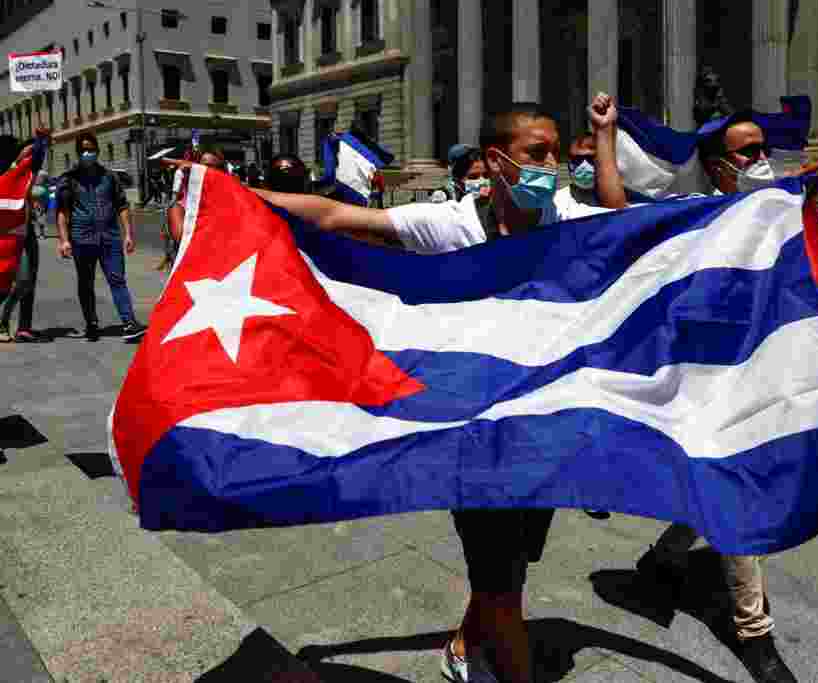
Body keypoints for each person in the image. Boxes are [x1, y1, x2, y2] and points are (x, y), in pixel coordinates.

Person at [166, 93, 624, 683]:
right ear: (497, 159)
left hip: (541, 428)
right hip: (470, 435)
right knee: (503, 581)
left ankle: (464, 645)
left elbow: (624, 225)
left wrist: (605, 137)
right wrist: (239, 194)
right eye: (536, 153)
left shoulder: (566, 217)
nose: (550, 165)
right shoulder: (454, 222)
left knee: (509, 570)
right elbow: (336, 219)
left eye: (555, 153)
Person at [634, 111, 799, 683]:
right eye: (747, 151)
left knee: (717, 484)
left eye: (762, 148)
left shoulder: (777, 209)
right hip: (708, 380)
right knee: (739, 496)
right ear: (718, 164)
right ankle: (754, 632)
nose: (761, 159)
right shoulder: (694, 218)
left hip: (761, 372)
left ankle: (663, 558)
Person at [56, 131, 147, 342]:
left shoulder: (109, 177)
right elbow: (63, 211)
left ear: (97, 150)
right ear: (78, 152)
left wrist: (128, 234)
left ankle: (129, 323)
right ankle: (91, 323)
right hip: (82, 238)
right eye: (84, 150)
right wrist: (64, 240)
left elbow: (122, 205)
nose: (88, 153)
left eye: (91, 149)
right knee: (86, 283)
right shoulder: (69, 180)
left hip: (110, 237)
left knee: (117, 279)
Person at [0, 130, 49, 345]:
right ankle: (4, 321)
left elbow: (37, 157)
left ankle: (23, 327)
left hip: (25, 232)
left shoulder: (22, 173)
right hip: (6, 235)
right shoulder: (9, 173)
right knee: (6, 281)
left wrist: (41, 140)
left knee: (26, 281)